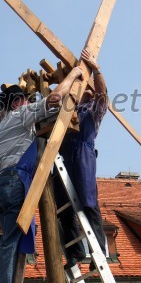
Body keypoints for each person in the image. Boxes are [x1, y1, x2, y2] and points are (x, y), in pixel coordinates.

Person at [0, 64, 84, 283]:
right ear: (17, 102)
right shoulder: (20, 115)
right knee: (10, 242)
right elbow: (54, 99)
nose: (27, 103)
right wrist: (73, 75)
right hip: (16, 181)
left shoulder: (2, 128)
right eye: (24, 100)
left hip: (1, 185)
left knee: (11, 240)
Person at [53, 47, 108, 270]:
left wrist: (96, 69)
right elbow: (55, 97)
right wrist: (71, 76)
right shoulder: (68, 108)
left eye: (86, 87)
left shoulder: (93, 109)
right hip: (63, 155)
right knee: (63, 206)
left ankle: (99, 253)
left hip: (83, 154)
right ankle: (75, 253)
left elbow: (104, 95)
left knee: (88, 202)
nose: (83, 89)